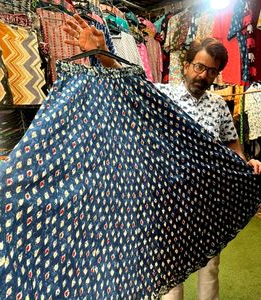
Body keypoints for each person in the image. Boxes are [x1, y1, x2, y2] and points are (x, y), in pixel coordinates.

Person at [64, 14, 261, 300]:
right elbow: (130, 88)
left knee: (210, 267)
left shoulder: (219, 105)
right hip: (167, 201)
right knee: (168, 272)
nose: (203, 76)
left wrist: (246, 162)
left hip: (208, 200)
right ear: (185, 65)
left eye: (211, 71)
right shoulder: (163, 95)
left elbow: (231, 143)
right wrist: (103, 53)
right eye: (199, 67)